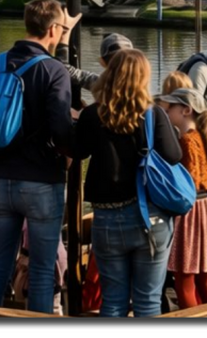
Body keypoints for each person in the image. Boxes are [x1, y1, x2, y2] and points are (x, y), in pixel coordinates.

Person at [0, 0, 74, 314]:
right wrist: (73, 149)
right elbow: (60, 130)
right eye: (61, 28)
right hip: (41, 181)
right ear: (52, 29)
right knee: (43, 270)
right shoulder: (54, 70)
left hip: (1, 179)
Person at [74, 49, 182, 317]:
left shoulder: (93, 115)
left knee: (112, 302)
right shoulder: (153, 114)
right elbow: (174, 155)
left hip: (107, 218)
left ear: (109, 75)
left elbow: (77, 150)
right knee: (147, 302)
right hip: (149, 218)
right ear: (143, 78)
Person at [157, 86, 207, 308]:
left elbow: (188, 182)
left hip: (190, 211)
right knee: (205, 277)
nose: (165, 111)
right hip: (204, 209)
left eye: (170, 107)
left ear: (186, 110)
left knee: (184, 280)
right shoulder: (204, 138)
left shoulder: (186, 141)